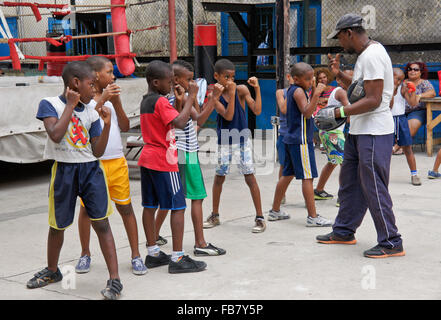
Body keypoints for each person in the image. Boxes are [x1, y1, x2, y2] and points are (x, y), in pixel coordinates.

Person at [29, 61, 123, 299]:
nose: (94, 90)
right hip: (64, 171)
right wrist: (70, 105)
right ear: (75, 84)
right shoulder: (50, 104)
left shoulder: (92, 110)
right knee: (57, 225)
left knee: (101, 223)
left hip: (91, 171)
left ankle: (115, 279)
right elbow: (56, 135)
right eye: (91, 85)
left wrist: (107, 123)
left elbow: (98, 151)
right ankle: (52, 270)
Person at [316, 13, 405, 258]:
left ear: (349, 33)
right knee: (350, 183)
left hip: (374, 131)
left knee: (373, 186)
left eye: (340, 38)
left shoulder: (374, 55)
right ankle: (344, 231)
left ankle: (391, 241)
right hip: (359, 130)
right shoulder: (366, 55)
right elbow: (360, 90)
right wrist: (339, 75)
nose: (340, 44)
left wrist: (339, 111)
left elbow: (375, 100)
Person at [74, 56, 147, 276]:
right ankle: (85, 253)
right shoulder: (84, 99)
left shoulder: (111, 99)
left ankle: (135, 255)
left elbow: (124, 126)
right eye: (109, 71)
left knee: (126, 208)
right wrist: (102, 99)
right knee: (87, 210)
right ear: (96, 75)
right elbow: (84, 121)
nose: (114, 76)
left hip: (116, 161)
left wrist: (115, 103)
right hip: (92, 163)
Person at [139, 60, 207, 273]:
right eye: (168, 82)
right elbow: (179, 121)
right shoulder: (159, 102)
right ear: (156, 82)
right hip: (164, 159)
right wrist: (191, 98)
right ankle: (177, 258)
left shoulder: (145, 101)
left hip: (147, 157)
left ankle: (153, 253)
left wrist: (181, 101)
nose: (170, 86)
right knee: (178, 206)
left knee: (150, 206)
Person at [154, 60, 226, 256]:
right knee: (197, 196)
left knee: (170, 199)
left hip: (173, 153)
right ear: (176, 79)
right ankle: (200, 243)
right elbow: (198, 119)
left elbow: (193, 120)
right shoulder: (182, 97)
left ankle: (152, 235)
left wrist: (198, 98)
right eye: (189, 79)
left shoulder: (165, 98)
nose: (192, 82)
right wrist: (212, 99)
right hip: (186, 152)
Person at [202, 58, 266, 233]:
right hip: (224, 141)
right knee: (219, 177)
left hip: (242, 140)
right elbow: (228, 116)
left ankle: (260, 217)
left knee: (250, 177)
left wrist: (257, 89)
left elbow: (257, 110)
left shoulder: (241, 90)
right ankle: (215, 214)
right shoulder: (214, 95)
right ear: (217, 76)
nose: (230, 80)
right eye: (226, 77)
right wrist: (230, 94)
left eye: (232, 77)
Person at [268, 62, 333, 227]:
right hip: (301, 140)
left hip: (291, 138)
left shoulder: (294, 90)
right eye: (308, 78)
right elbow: (307, 112)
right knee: (307, 177)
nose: (311, 81)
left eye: (312, 78)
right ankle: (313, 217)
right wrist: (317, 94)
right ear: (296, 79)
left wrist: (312, 94)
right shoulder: (298, 91)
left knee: (287, 174)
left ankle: (275, 211)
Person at [314, 69, 351, 205]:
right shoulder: (341, 92)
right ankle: (343, 197)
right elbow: (349, 112)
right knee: (345, 164)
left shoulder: (339, 92)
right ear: (340, 80)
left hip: (329, 131)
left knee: (333, 162)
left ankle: (318, 190)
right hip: (333, 132)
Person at [390, 67, 421, 186]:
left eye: (401, 79)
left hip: (401, 119)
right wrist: (392, 90)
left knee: (407, 148)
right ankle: (383, 175)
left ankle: (414, 174)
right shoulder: (383, 87)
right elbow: (389, 106)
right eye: (396, 78)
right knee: (385, 150)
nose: (398, 81)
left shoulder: (402, 88)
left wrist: (412, 91)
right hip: (387, 119)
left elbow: (413, 103)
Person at [273, 72, 295, 209]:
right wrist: (293, 90)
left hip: (299, 136)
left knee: (305, 171)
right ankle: (281, 195)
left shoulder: (304, 93)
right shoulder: (281, 92)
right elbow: (284, 109)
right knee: (284, 166)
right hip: (284, 135)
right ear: (289, 77)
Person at [403, 61, 436, 144]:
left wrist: (419, 96)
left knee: (413, 122)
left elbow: (432, 93)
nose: (412, 71)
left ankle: (399, 147)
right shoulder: (402, 82)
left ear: (421, 72)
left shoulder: (424, 83)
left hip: (417, 111)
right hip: (401, 111)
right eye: (410, 69)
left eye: (416, 69)